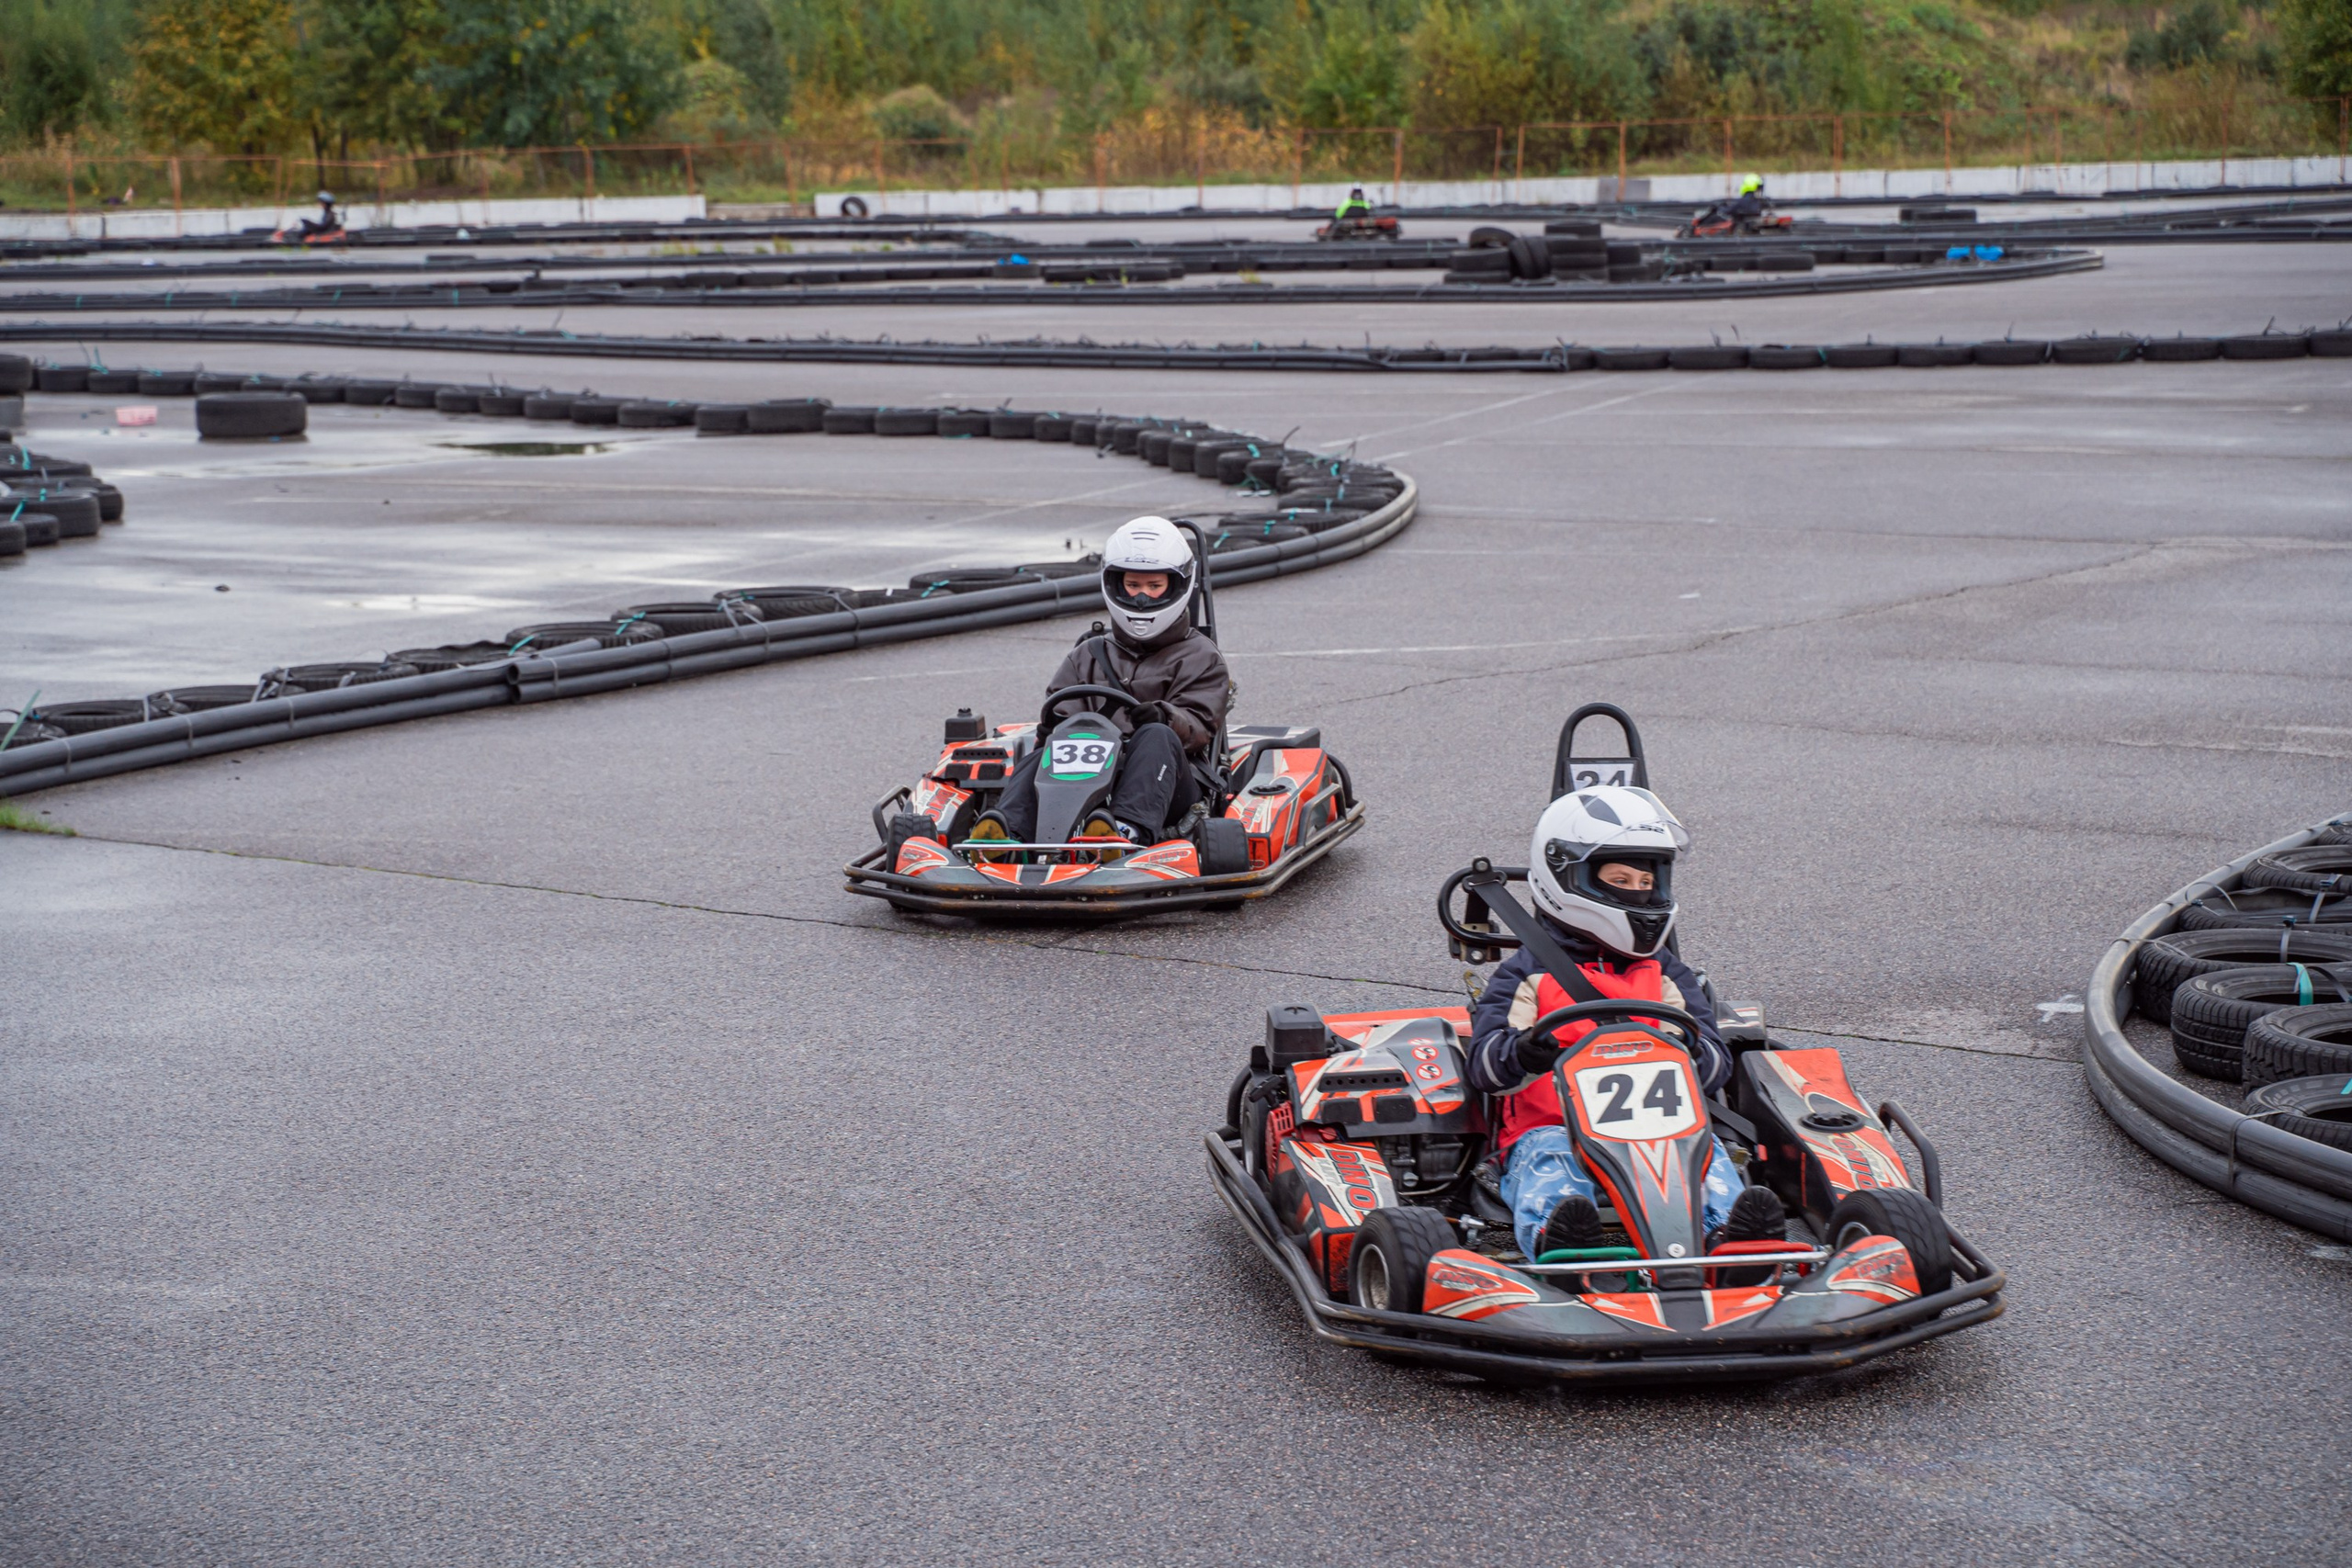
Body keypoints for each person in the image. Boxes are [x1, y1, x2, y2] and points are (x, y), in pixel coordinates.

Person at [1464, 784, 1785, 1262]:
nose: (1639, 892)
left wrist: (1690, 1051)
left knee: (1713, 1162)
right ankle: (1566, 1246)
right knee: (1550, 1167)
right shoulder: (1526, 974)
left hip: (1670, 1134)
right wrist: (1526, 1052)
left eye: (1646, 882)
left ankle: (1733, 1247)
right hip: (1553, 1131)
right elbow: (1484, 1069)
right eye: (1621, 879)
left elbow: (1716, 1065)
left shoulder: (1668, 975)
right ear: (1568, 879)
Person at [967, 515, 1232, 852]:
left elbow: (1200, 726)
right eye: (1134, 586)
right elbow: (1059, 712)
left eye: (1154, 587)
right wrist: (1057, 727)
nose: (1141, 599)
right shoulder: (1088, 653)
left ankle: (1125, 831)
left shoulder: (1201, 657)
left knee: (1157, 736)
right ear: (1116, 585)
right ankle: (1006, 835)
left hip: (1168, 781)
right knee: (1041, 754)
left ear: (1177, 586)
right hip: (1090, 775)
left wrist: (1165, 718)